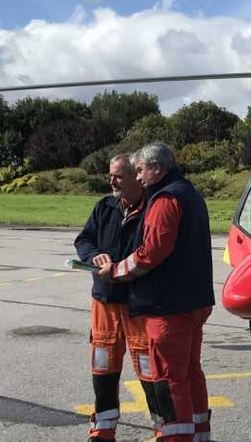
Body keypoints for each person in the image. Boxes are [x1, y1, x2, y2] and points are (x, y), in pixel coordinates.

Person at [98, 142, 215, 442]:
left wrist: (116, 272)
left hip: (168, 307)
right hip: (193, 302)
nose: (137, 178)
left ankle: (175, 437)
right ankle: (200, 434)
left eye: (140, 171)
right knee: (190, 374)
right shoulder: (190, 194)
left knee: (168, 380)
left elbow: (150, 253)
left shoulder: (164, 200)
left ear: (157, 169)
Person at [74, 154, 147, 442]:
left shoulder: (151, 208)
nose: (111, 181)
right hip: (104, 303)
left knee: (149, 371)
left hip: (137, 303)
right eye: (111, 175)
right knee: (103, 369)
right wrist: (94, 255)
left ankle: (163, 429)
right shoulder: (104, 207)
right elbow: (83, 239)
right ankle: (102, 431)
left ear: (134, 176)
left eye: (117, 176)